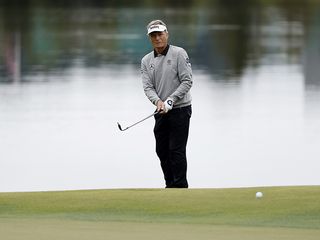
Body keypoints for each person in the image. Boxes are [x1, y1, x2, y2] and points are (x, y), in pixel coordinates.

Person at [141, 19, 193, 188]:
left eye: (160, 34)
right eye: (153, 35)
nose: (157, 38)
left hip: (180, 109)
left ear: (167, 34)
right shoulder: (146, 60)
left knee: (176, 150)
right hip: (160, 110)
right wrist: (158, 101)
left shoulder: (179, 53)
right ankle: (170, 185)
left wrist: (171, 100)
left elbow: (187, 81)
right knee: (162, 151)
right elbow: (148, 87)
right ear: (149, 38)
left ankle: (180, 187)